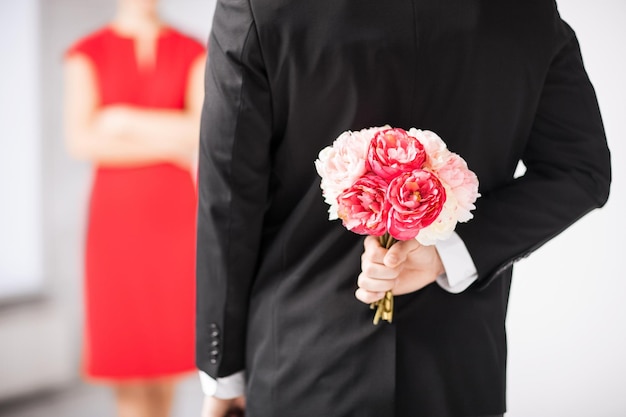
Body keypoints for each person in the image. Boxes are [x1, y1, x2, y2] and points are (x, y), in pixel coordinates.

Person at [195, 1, 611, 416]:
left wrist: (224, 375)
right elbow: (580, 170)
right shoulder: (525, 10)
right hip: (459, 371)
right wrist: (449, 254)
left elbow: (229, 197)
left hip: (301, 360)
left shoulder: (262, 6)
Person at [63, 0, 206, 416]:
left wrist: (122, 120)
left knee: (166, 354)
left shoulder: (192, 49)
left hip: (176, 216)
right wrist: (172, 143)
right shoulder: (86, 52)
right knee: (127, 355)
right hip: (116, 220)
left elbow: (200, 133)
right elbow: (82, 141)